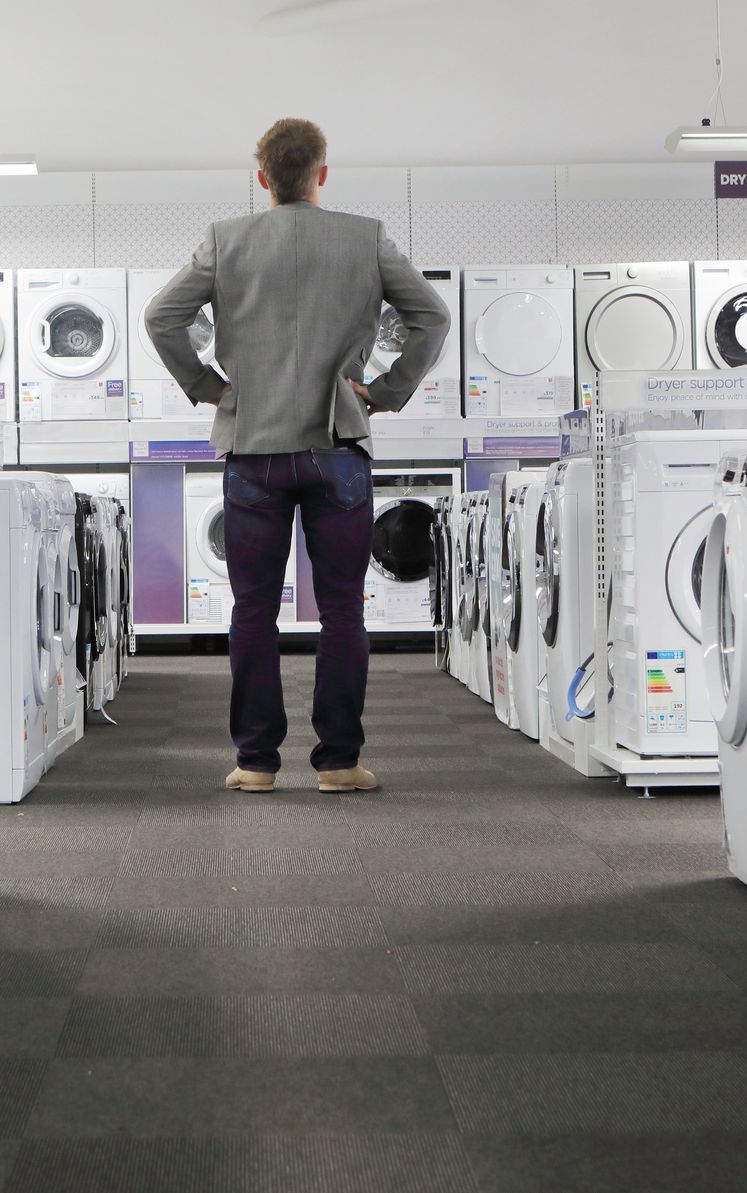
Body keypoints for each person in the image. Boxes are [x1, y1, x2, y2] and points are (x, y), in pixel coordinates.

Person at [144, 117, 450, 794]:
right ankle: (338, 761)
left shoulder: (226, 240)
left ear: (262, 179)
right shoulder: (364, 238)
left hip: (252, 446)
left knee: (252, 608)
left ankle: (255, 763)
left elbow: (160, 317)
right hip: (335, 446)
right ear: (321, 173)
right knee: (343, 609)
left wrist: (207, 388)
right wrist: (386, 392)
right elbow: (432, 316)